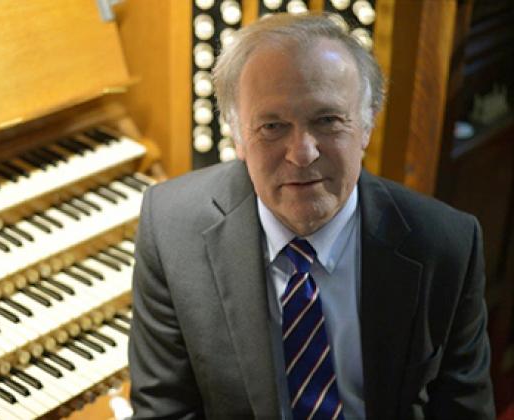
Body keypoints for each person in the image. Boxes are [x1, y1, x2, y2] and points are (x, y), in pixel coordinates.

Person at [129, 13, 495, 419]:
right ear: (237, 136)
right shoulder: (171, 228)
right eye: (272, 126)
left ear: (367, 124)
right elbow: (165, 410)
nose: (302, 154)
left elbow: (464, 411)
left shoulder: (447, 244)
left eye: (327, 120)